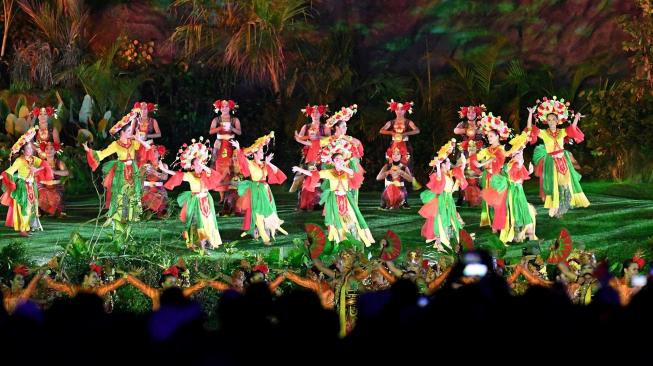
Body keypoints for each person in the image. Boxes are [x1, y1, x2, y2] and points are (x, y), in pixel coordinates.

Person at [293, 137, 375, 246]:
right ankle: (340, 240)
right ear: (332, 161)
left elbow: (351, 173)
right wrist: (300, 170)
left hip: (346, 199)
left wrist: (343, 166)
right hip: (334, 199)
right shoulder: (329, 172)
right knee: (337, 221)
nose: (339, 161)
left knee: (353, 219)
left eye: (341, 159)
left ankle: (356, 240)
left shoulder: (347, 171)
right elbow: (314, 174)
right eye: (337, 160)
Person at [83, 109, 151, 240]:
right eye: (129, 132)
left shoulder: (133, 143)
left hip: (133, 173)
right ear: (122, 132)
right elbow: (102, 155)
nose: (130, 133)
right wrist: (89, 150)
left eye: (131, 131)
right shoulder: (115, 145)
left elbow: (147, 148)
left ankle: (127, 232)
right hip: (121, 173)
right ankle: (118, 228)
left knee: (132, 198)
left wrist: (137, 138)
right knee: (121, 198)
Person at [526, 96, 590, 217]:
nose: (551, 122)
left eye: (553, 119)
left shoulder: (562, 131)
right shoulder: (544, 133)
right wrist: (530, 114)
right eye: (549, 120)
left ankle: (564, 204)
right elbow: (530, 129)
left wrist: (576, 118)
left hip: (562, 159)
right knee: (552, 183)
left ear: (557, 120)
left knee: (565, 183)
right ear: (546, 121)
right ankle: (554, 206)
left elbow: (572, 129)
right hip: (551, 160)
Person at [160, 137, 223, 251]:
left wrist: (202, 165)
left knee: (208, 220)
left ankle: (210, 241)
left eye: (201, 163)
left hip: (206, 200)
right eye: (197, 164)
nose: (199, 165)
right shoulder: (190, 175)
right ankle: (201, 245)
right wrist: (164, 170)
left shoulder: (205, 173)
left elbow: (213, 174)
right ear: (192, 166)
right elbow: (177, 174)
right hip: (195, 201)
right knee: (197, 222)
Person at [232, 132, 288, 245]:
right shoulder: (251, 163)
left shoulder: (264, 163)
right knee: (258, 214)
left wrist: (269, 163)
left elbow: (277, 172)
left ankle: (268, 231)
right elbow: (242, 160)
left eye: (262, 151)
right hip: (256, 190)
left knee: (269, 213)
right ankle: (265, 238)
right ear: (254, 154)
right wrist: (238, 149)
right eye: (260, 152)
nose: (262, 153)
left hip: (266, 191)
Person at [1, 128, 53, 236]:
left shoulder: (34, 159)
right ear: (23, 151)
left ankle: (28, 226)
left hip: (32, 185)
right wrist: (2, 175)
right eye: (28, 149)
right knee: (24, 207)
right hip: (22, 187)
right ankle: (22, 229)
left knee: (33, 206)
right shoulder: (19, 160)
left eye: (31, 148)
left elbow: (44, 164)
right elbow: (11, 171)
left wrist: (36, 170)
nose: (30, 150)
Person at [419, 139, 467, 250]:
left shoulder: (449, 173)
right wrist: (438, 165)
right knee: (440, 219)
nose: (450, 164)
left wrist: (463, 160)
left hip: (449, 200)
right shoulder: (439, 175)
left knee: (450, 217)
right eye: (448, 162)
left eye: (449, 162)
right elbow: (439, 181)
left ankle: (449, 237)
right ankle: (439, 241)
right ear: (443, 165)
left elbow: (461, 171)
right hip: (442, 200)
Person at [475, 113, 511, 234]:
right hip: (488, 178)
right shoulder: (486, 149)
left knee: (499, 203)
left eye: (491, 136)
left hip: (498, 178)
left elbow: (496, 160)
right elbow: (477, 158)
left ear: (497, 137)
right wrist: (472, 154)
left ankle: (500, 226)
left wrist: (483, 163)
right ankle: (493, 225)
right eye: (488, 136)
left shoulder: (501, 149)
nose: (489, 138)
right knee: (491, 203)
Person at [291, 104, 329, 210]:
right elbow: (299, 138)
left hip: (322, 155)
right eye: (313, 113)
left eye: (317, 112)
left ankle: (321, 202)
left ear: (321, 114)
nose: (315, 114)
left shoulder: (324, 127)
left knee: (321, 177)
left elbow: (330, 139)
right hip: (309, 154)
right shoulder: (306, 127)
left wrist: (318, 137)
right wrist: (300, 138)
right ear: (310, 114)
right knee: (305, 176)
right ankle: (305, 202)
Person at [126, 265, 206, 310]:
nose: (175, 285)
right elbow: (140, 285)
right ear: (163, 284)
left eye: (175, 283)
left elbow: (193, 289)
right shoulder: (155, 293)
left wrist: (201, 284)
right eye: (171, 283)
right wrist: (129, 276)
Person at [209, 99, 242, 200]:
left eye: (226, 106)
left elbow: (239, 132)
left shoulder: (235, 119)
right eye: (222, 106)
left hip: (230, 146)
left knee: (231, 168)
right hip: (219, 145)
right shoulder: (216, 120)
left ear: (230, 107)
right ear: (219, 108)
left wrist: (231, 128)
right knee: (218, 169)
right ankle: (221, 197)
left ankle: (231, 195)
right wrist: (220, 128)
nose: (224, 108)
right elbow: (210, 131)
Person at [376, 143, 413, 209]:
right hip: (388, 191)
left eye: (398, 154)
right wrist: (388, 172)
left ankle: (401, 202)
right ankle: (388, 203)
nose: (395, 156)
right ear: (391, 155)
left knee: (400, 195)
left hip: (401, 190)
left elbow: (411, 180)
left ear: (401, 156)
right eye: (393, 154)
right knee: (389, 190)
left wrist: (402, 172)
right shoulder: (387, 166)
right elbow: (378, 178)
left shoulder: (404, 167)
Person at [37, 142, 68, 217]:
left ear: (55, 151)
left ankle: (58, 211)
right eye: (47, 149)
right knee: (42, 193)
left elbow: (66, 172)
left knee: (55, 195)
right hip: (44, 186)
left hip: (56, 187)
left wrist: (54, 171)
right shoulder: (41, 163)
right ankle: (42, 211)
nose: (49, 151)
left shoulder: (59, 162)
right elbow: (37, 175)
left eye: (51, 149)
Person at [140, 145, 169, 217]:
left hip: (159, 187)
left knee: (162, 197)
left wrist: (155, 173)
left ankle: (159, 211)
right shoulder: (146, 165)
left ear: (159, 154)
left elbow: (165, 177)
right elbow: (140, 178)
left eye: (155, 151)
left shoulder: (164, 165)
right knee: (145, 192)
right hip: (147, 187)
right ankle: (148, 210)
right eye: (152, 151)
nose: (153, 153)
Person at [132, 102, 161, 166]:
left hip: (149, 146)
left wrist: (147, 135)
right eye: (141, 109)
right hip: (138, 146)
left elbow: (159, 134)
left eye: (145, 109)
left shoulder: (153, 121)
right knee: (138, 166)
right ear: (139, 110)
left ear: (148, 110)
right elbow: (130, 135)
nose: (143, 110)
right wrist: (137, 136)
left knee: (149, 167)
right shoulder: (135, 120)